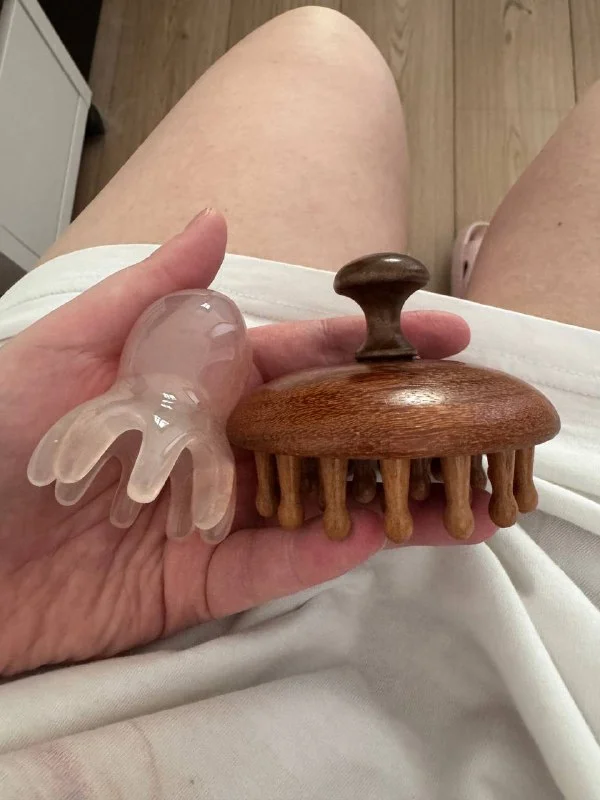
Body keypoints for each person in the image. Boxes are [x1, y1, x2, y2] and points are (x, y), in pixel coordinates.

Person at [0, 7, 598, 798]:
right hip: (569, 619)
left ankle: (490, 281)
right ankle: (489, 276)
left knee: (319, 46)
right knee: (321, 46)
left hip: (98, 618)